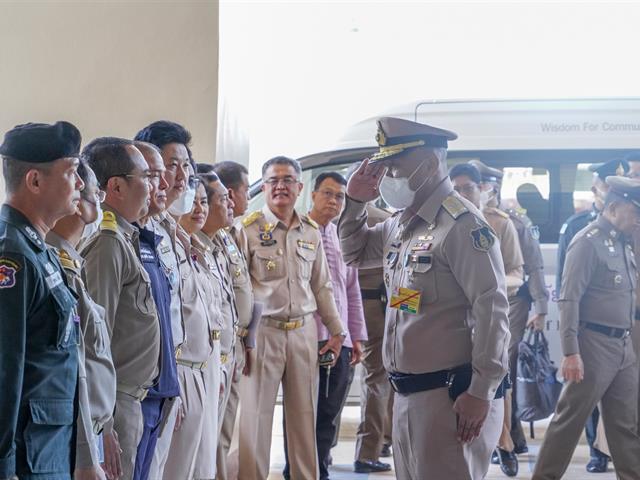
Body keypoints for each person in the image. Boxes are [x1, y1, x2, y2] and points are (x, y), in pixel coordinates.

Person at [339, 117, 510, 480]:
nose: (388, 177)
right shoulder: (402, 224)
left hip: (451, 398)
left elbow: (492, 311)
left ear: (429, 165)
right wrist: (354, 201)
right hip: (407, 394)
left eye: (395, 167)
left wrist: (481, 392)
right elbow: (353, 253)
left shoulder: (462, 226)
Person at [233, 156, 346, 480]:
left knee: (304, 419)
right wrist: (244, 339)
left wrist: (336, 331)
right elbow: (237, 291)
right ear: (264, 187)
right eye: (273, 180)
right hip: (263, 333)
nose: (280, 186)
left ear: (299, 187)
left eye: (287, 180)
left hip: (303, 333)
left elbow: (322, 285)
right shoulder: (248, 228)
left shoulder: (310, 231)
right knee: (255, 420)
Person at [532, 176, 640, 480]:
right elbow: (569, 299)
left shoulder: (625, 241)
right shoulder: (587, 241)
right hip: (593, 345)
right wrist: (571, 353)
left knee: (626, 427)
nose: (638, 220)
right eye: (636, 213)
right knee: (568, 422)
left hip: (623, 346)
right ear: (615, 207)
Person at [0, 121, 84, 480]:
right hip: (25, 458)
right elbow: (5, 367)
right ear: (35, 181)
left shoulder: (40, 250)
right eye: (72, 172)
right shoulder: (13, 256)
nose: (80, 184)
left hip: (50, 448)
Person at [81, 139, 160, 480]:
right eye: (146, 176)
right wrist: (105, 423)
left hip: (132, 399)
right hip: (116, 403)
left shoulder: (126, 237)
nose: (155, 186)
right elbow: (96, 338)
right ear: (116, 186)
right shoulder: (109, 243)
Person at [281, 172, 368, 480]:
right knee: (303, 417)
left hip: (341, 343)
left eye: (340, 196)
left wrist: (356, 336)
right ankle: (299, 473)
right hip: (309, 340)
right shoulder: (298, 232)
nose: (333, 200)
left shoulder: (341, 237)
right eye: (328, 194)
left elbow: (352, 290)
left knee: (330, 416)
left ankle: (321, 471)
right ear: (313, 195)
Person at [469, 160, 550, 456]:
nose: (492, 190)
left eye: (495, 185)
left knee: (506, 361)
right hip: (472, 302)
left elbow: (533, 265)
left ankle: (510, 435)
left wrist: (540, 307)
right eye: (488, 185)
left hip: (512, 300)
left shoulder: (512, 222)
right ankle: (498, 435)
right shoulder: (463, 217)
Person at [554, 157, 629, 473]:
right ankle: (596, 453)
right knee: (582, 401)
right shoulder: (578, 228)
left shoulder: (625, 232)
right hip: (590, 330)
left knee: (621, 407)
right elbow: (566, 284)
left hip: (622, 332)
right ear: (598, 188)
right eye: (607, 184)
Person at [449, 161, 523, 477]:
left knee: (495, 383)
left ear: (481, 190)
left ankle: (504, 445)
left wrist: (486, 284)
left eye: (468, 188)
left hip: (490, 317)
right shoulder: (439, 222)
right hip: (450, 327)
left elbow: (517, 273)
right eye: (456, 188)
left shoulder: (499, 224)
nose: (462, 194)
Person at [46, 160, 117, 480]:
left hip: (91, 430)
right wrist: (87, 456)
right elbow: (73, 372)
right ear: (79, 204)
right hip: (72, 441)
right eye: (96, 196)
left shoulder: (73, 263)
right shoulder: (56, 268)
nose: (99, 205)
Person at [133, 121, 193, 479]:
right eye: (170, 165)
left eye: (185, 165)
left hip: (170, 374)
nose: (179, 176)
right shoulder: (129, 231)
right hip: (141, 384)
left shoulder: (167, 228)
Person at [163, 171, 223, 480]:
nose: (199, 209)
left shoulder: (199, 250)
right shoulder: (167, 250)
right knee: (178, 465)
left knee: (202, 464)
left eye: (203, 202)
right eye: (192, 201)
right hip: (181, 368)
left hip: (205, 365)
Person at [197, 164, 256, 480]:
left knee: (222, 431)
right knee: (207, 440)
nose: (232, 203)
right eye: (223, 198)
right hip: (211, 353)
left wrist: (248, 339)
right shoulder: (197, 244)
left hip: (233, 345)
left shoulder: (226, 238)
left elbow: (240, 292)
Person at [130, 141, 180, 480]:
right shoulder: (109, 241)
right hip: (131, 393)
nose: (162, 186)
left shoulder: (151, 235)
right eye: (152, 176)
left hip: (160, 385)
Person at [353, 203, 394, 474]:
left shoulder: (328, 216)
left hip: (340, 307)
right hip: (376, 306)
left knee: (333, 380)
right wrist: (409, 310)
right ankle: (368, 452)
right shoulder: (386, 221)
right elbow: (400, 274)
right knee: (377, 380)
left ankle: (324, 448)